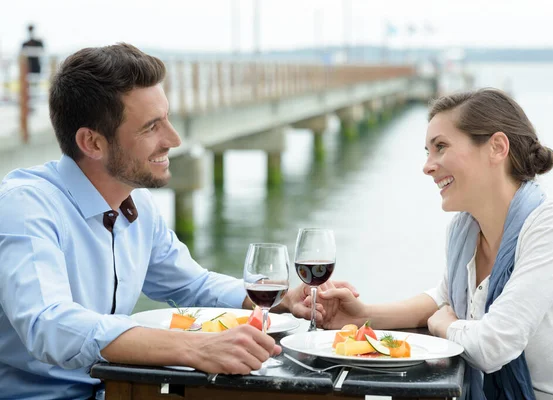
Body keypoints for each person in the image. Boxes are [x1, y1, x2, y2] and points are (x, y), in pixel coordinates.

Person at [0, 43, 356, 400]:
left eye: (167, 118)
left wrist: (276, 301)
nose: (174, 139)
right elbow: (49, 325)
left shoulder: (137, 202)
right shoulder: (26, 207)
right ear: (92, 142)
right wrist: (194, 348)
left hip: (123, 391)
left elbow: (193, 284)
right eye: (151, 127)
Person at [317, 88, 553, 399]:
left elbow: (492, 346)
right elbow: (442, 299)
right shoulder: (464, 231)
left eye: (441, 147)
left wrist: (446, 326)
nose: (428, 166)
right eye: (428, 151)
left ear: (496, 147)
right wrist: (360, 316)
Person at [20, 24, 45, 99]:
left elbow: (42, 52)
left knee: (36, 84)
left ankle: (35, 98)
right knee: (28, 85)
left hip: (36, 66)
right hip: (28, 67)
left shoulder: (39, 42)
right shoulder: (25, 43)